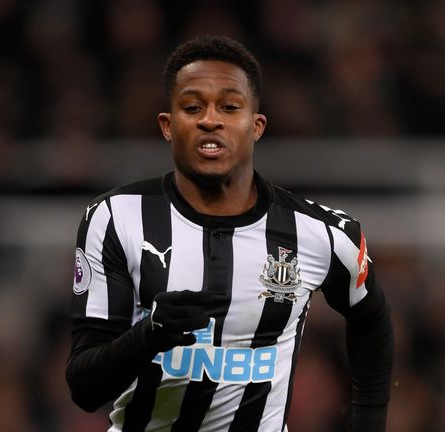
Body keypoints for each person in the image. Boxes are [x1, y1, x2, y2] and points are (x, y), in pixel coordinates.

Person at [66, 35, 394, 431]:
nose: (210, 119)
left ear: (256, 126)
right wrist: (149, 335)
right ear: (167, 126)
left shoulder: (320, 233)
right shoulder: (116, 218)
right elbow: (84, 389)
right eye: (192, 106)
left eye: (229, 106)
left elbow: (371, 318)